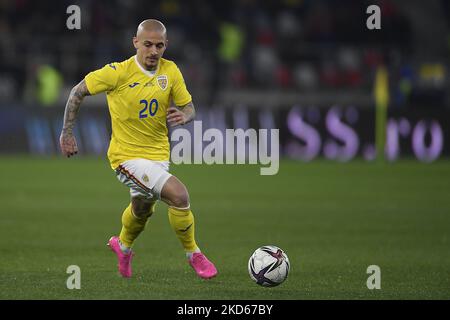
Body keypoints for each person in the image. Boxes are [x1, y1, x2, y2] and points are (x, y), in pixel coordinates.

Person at [59, 19, 218, 279]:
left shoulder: (171, 71)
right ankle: (194, 254)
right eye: (147, 44)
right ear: (136, 43)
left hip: (158, 156)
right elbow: (77, 92)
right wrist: (67, 132)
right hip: (126, 157)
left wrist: (185, 116)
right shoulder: (118, 72)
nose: (153, 51)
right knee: (179, 196)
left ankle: (122, 246)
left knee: (142, 210)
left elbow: (189, 107)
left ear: (166, 45)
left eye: (159, 45)